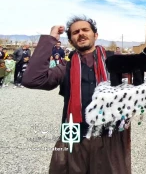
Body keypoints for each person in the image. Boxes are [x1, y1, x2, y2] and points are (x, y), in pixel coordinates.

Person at [22, 16, 132, 173]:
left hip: (110, 136)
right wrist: (51, 39)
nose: (81, 33)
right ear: (71, 41)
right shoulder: (65, 67)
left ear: (96, 35)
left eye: (85, 30)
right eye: (75, 32)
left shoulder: (115, 62)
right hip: (73, 135)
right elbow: (32, 79)